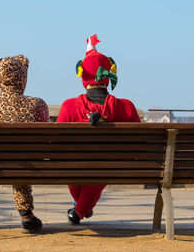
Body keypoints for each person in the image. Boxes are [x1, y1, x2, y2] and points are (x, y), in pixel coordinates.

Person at [57, 34, 141, 225]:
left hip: (74, 167)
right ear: (109, 75)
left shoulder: (69, 107)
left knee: (77, 165)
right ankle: (81, 208)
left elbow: (57, 144)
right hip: (115, 166)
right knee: (105, 165)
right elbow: (140, 144)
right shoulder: (126, 107)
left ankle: (79, 211)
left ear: (83, 75)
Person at [0, 55, 49, 233]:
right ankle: (27, 217)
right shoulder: (37, 105)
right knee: (19, 159)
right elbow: (46, 139)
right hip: (29, 166)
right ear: (23, 79)